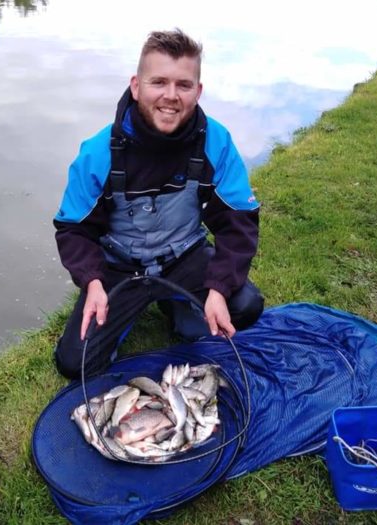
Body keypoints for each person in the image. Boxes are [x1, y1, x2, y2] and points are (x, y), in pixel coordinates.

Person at [53, 29, 263, 379]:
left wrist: (219, 287)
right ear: (136, 86)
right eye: (159, 82)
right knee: (75, 364)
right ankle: (139, 306)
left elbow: (239, 222)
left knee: (245, 306)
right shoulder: (97, 152)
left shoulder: (217, 142)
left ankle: (178, 307)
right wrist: (91, 282)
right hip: (120, 268)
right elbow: (74, 230)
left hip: (185, 256)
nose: (170, 96)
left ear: (198, 91)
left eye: (183, 85)